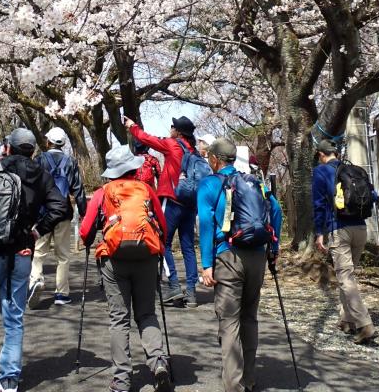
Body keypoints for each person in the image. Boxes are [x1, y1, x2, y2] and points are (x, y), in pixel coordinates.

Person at [0, 128, 68, 392]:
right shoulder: (41, 175)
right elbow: (60, 206)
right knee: (14, 316)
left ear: (8, 147)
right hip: (21, 251)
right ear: (33, 151)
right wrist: (37, 230)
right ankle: (9, 378)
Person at [80, 144, 172, 392]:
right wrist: (159, 248)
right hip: (146, 256)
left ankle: (121, 380)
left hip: (114, 259)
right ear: (133, 168)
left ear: (112, 171)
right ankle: (158, 363)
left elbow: (86, 230)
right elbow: (162, 225)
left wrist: (89, 241)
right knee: (147, 314)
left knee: (119, 319)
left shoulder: (102, 192)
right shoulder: (146, 190)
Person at [198, 137, 282, 392]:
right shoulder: (254, 182)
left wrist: (206, 264)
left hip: (228, 257)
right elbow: (276, 211)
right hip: (257, 256)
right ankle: (249, 378)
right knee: (249, 318)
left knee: (229, 322)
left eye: (209, 158)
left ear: (215, 159)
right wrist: (274, 248)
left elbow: (205, 224)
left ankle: (234, 386)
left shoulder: (209, 184)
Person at [124, 114, 199, 307]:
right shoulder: (194, 152)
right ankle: (191, 292)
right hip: (190, 205)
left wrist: (132, 126)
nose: (170, 128)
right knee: (188, 247)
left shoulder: (173, 145)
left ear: (178, 132)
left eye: (173, 126)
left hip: (172, 201)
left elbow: (148, 139)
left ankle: (173, 285)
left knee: (161, 241)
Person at [312, 138, 377, 344]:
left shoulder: (320, 172)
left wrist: (319, 233)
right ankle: (346, 320)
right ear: (337, 154)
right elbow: (374, 196)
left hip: (339, 230)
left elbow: (318, 205)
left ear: (321, 155)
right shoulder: (353, 171)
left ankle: (364, 324)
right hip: (361, 228)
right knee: (347, 276)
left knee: (345, 278)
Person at [28, 126, 87, 307]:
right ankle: (61, 293)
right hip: (63, 213)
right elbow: (78, 189)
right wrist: (84, 212)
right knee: (63, 256)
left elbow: (32, 187)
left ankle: (36, 280)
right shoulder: (70, 162)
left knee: (38, 253)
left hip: (43, 214)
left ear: (48, 142)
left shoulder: (39, 160)